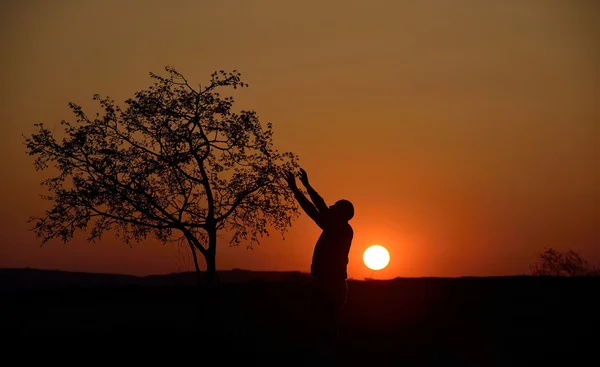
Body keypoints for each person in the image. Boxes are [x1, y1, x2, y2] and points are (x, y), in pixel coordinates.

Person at [285, 168, 354, 353]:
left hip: (329, 284)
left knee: (325, 323)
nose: (330, 208)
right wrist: (304, 187)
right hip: (329, 283)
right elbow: (319, 207)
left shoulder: (338, 228)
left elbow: (316, 208)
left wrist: (298, 189)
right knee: (325, 323)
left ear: (341, 213)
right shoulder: (339, 227)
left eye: (335, 207)